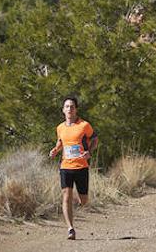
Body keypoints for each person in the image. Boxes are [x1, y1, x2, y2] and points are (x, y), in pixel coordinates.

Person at [49, 97, 98, 240]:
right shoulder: (60, 128)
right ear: (63, 110)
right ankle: (70, 229)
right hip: (66, 167)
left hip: (81, 167)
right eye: (67, 106)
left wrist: (90, 151)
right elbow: (60, 142)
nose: (69, 109)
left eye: (72, 106)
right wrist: (55, 150)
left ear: (76, 109)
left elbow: (94, 139)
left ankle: (76, 202)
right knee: (66, 196)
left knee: (84, 200)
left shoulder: (84, 125)